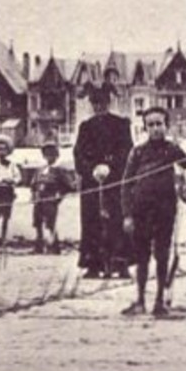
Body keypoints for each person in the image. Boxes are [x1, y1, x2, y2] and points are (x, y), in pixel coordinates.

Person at [120, 107, 186, 316]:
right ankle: (140, 300)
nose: (156, 128)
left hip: (165, 211)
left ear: (166, 126)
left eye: (159, 124)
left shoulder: (173, 150)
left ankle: (159, 301)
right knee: (141, 257)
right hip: (141, 211)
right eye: (151, 125)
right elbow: (126, 184)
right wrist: (128, 215)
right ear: (145, 128)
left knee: (162, 255)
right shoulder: (138, 152)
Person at [73, 82, 133, 278]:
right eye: (95, 103)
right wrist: (91, 170)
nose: (99, 107)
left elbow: (127, 152)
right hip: (92, 183)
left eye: (102, 103)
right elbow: (79, 154)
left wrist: (112, 167)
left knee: (117, 220)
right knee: (92, 221)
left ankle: (120, 263)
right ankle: (93, 264)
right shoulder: (85, 127)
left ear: (108, 103)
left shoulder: (121, 124)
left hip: (115, 182)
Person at [30, 142, 71, 254]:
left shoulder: (59, 170)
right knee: (37, 223)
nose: (49, 156)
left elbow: (68, 186)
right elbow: (33, 184)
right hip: (39, 199)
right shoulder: (40, 169)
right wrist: (33, 195)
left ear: (56, 155)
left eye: (52, 154)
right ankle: (39, 246)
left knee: (50, 223)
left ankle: (54, 247)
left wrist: (59, 197)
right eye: (47, 154)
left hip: (50, 198)